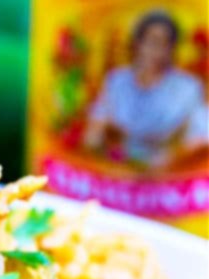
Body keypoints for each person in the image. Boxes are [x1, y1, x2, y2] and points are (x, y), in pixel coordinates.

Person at [84, 11, 209, 167]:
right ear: (137, 44)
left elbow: (201, 139)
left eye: (166, 44)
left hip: (169, 174)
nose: (159, 52)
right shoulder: (117, 81)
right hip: (118, 169)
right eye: (153, 42)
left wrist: (170, 160)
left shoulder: (189, 87)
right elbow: (94, 130)